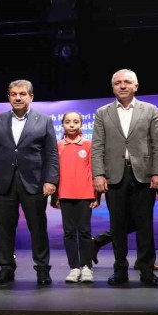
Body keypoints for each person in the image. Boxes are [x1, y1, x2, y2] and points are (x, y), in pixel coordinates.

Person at [91, 69, 158, 287]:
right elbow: (97, 146)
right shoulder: (102, 112)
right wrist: (98, 174)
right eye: (118, 83)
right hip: (114, 175)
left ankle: (146, 271)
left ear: (136, 86)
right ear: (112, 87)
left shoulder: (150, 110)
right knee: (117, 226)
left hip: (143, 175)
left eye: (127, 82)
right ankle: (120, 271)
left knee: (144, 225)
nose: (122, 86)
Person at [0, 79, 59, 285]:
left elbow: (51, 154)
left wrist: (50, 179)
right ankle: (6, 268)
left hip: (34, 181)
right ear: (8, 97)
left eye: (22, 94)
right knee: (5, 228)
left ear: (31, 97)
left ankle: (42, 269)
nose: (18, 97)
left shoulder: (44, 120)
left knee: (38, 228)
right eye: (14, 94)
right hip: (3, 182)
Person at [52, 111, 99, 283]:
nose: (72, 125)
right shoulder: (58, 146)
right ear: (62, 125)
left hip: (85, 195)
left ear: (81, 124)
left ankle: (86, 267)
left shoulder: (88, 144)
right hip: (65, 195)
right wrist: (55, 195)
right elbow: (54, 172)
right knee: (69, 232)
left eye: (76, 122)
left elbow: (94, 170)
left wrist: (96, 195)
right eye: (68, 122)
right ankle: (74, 267)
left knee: (85, 232)